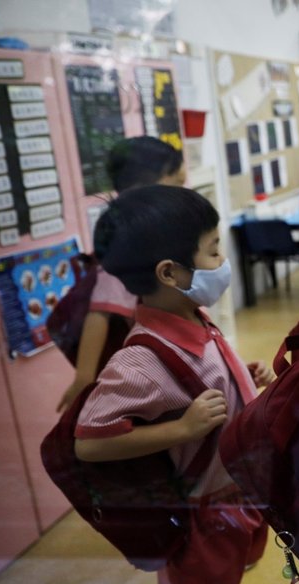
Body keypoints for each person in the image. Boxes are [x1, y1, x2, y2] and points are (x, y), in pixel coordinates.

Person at [73, 185, 275, 584]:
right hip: (198, 514)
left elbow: (200, 379)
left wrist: (243, 378)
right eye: (212, 250)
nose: (221, 260)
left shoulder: (194, 319)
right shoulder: (141, 357)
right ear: (170, 272)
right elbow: (89, 441)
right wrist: (181, 429)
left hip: (231, 500)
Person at [56, 136, 186, 412]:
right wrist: (84, 378)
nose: (182, 194)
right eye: (176, 183)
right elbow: (101, 309)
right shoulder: (131, 237)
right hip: (145, 364)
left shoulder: (146, 228)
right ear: (143, 188)